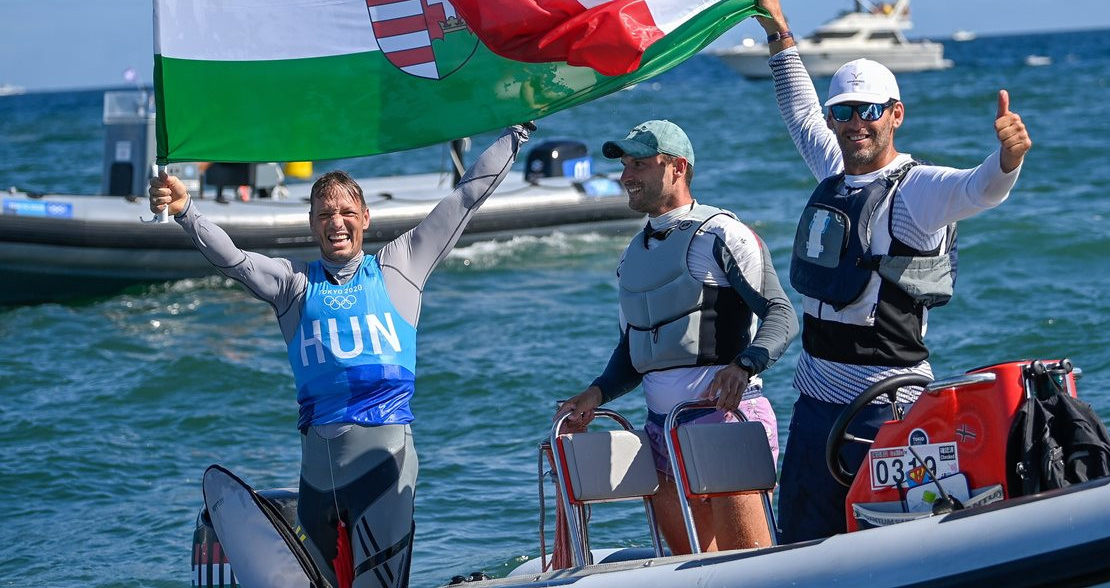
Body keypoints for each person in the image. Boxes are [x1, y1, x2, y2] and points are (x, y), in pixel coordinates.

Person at [148, 125, 533, 588]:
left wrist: (517, 131)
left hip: (383, 468)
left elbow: (466, 196)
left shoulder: (401, 265)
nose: (337, 222)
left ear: (365, 218)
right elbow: (234, 259)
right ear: (312, 222)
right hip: (317, 482)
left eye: (347, 212)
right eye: (326, 214)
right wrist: (185, 210)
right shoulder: (292, 285)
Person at [750, 0, 1033, 543]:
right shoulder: (835, 168)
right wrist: (778, 31)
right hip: (815, 401)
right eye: (844, 112)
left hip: (888, 405)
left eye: (870, 110)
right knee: (802, 541)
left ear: (895, 114)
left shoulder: (917, 190)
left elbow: (977, 189)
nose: (856, 122)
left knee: (884, 543)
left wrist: (1008, 158)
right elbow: (800, 111)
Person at [555, 120, 797, 554]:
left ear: (678, 168)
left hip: (724, 422)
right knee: (691, 568)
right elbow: (634, 351)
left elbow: (781, 314)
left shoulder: (722, 234)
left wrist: (744, 365)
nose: (626, 175)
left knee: (748, 568)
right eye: (625, 165)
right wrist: (596, 393)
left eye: (639, 164)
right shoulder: (631, 255)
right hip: (660, 433)